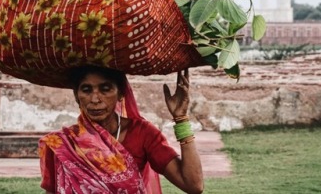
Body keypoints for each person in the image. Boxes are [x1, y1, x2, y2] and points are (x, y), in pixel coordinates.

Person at [38, 65, 204, 194]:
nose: (95, 99)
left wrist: (181, 118)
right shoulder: (63, 144)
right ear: (76, 95)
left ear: (121, 93)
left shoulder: (142, 133)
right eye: (86, 90)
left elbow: (193, 185)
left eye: (105, 89)